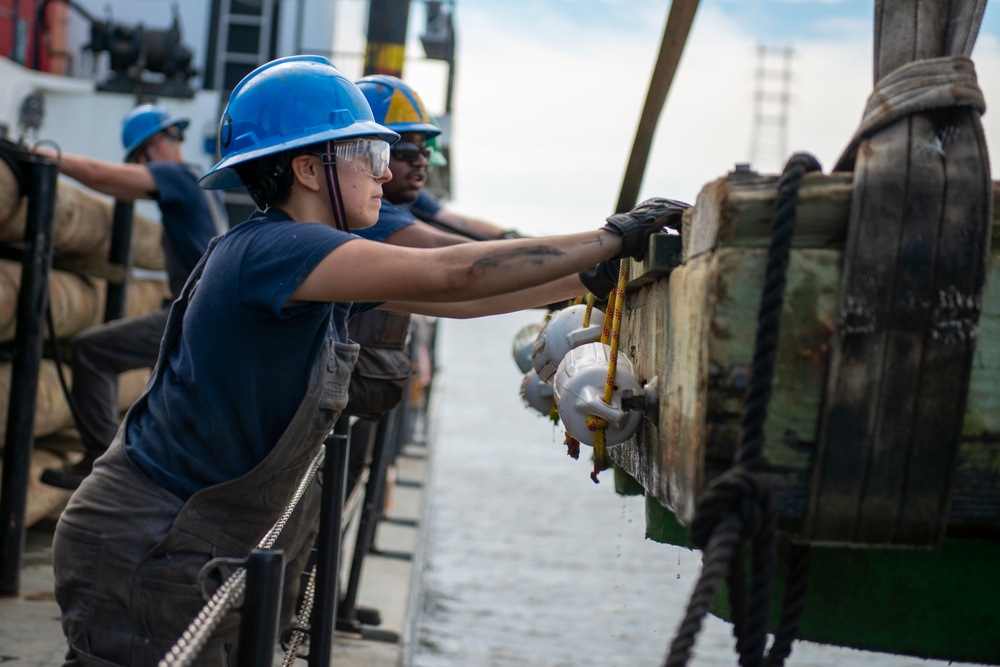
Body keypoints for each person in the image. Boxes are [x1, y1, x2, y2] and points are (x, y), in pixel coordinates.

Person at [50, 54, 687, 666]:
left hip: (193, 535)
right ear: (306, 169)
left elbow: (458, 302)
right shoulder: (277, 248)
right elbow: (452, 274)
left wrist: (589, 282)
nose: (385, 174)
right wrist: (612, 235)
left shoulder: (311, 257)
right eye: (371, 154)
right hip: (151, 539)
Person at [39, 104, 227, 491]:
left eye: (140, 158)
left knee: (93, 351)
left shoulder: (176, 175)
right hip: (209, 315)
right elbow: (118, 186)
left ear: (152, 147)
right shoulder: (199, 179)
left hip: (197, 317)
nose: (140, 165)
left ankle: (102, 462)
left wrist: (46, 157)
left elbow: (104, 176)